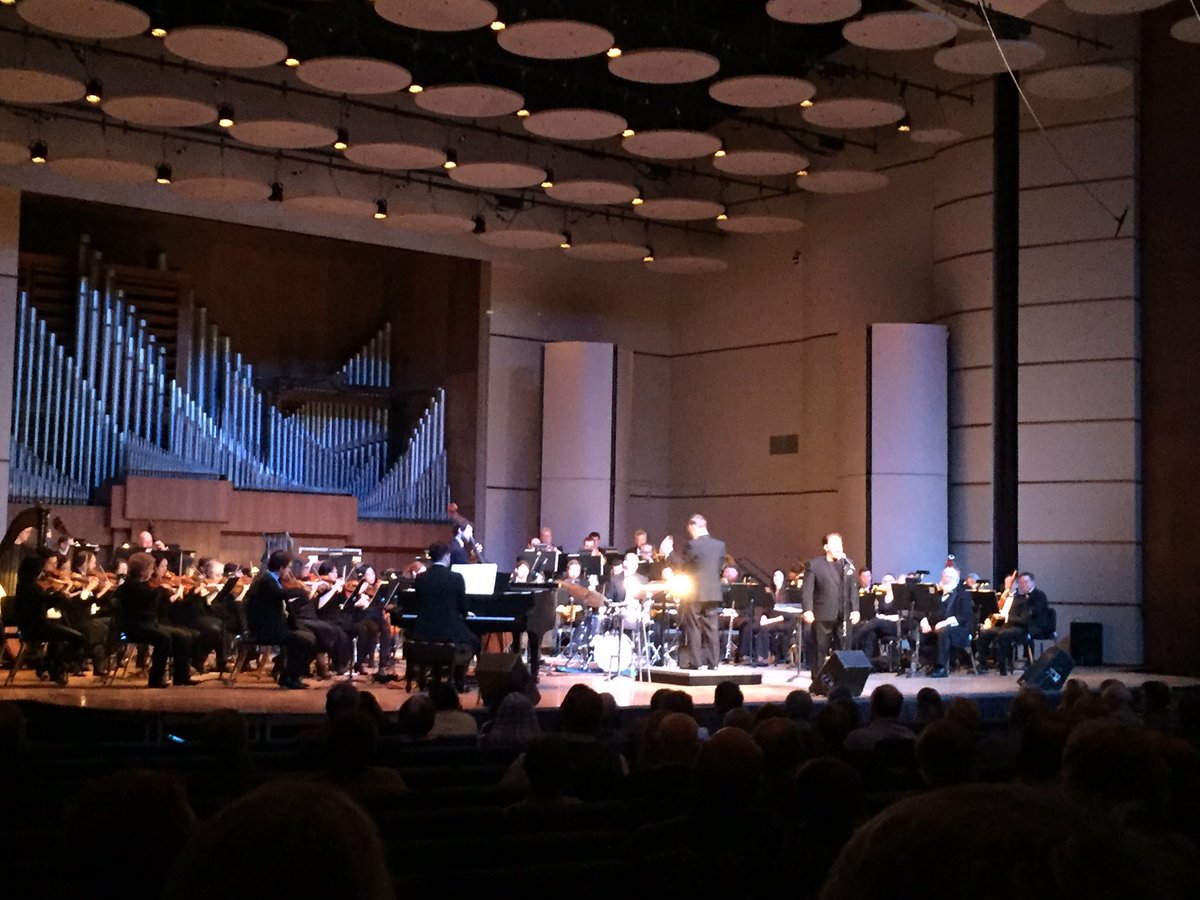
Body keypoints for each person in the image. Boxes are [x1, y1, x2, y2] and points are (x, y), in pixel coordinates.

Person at [115, 552, 196, 688]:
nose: (153, 571)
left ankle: (181, 677)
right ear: (143, 569)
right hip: (134, 627)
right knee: (164, 638)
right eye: (151, 568)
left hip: (149, 624)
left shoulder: (145, 585)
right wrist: (160, 590)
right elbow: (147, 603)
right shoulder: (130, 586)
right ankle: (155, 679)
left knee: (184, 635)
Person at [243, 550, 316, 690]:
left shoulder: (271, 580)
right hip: (266, 629)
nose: (289, 570)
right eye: (288, 567)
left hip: (275, 626)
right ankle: (289, 677)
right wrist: (300, 591)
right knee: (305, 642)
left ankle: (290, 676)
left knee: (308, 639)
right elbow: (279, 595)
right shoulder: (266, 581)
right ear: (281, 567)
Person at [410, 541, 480, 684]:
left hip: (424, 630)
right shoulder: (456, 578)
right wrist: (467, 613)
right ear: (447, 556)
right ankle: (459, 679)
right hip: (448, 630)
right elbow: (463, 608)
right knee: (475, 641)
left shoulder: (421, 578)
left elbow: (417, 603)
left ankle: (436, 675)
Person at [13, 554, 85, 684]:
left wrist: (55, 594)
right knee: (79, 638)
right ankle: (56, 665)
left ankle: (53, 667)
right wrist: (60, 595)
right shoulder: (31, 587)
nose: (43, 572)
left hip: (32, 626)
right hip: (37, 628)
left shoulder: (23, 586)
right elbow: (44, 601)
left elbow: (41, 604)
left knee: (59, 638)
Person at [799, 533, 857, 691]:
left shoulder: (847, 565)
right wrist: (808, 610)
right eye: (834, 543)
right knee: (820, 648)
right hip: (822, 612)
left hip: (843, 613)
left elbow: (853, 589)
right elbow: (807, 591)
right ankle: (818, 683)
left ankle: (842, 684)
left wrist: (855, 610)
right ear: (826, 547)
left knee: (843, 648)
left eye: (840, 543)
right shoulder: (814, 565)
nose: (839, 547)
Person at [976, 571, 1052, 675]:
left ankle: (1003, 663)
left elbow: (1028, 617)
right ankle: (983, 664)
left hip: (1031, 626)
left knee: (1004, 634)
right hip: (1014, 624)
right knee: (985, 632)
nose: (1023, 585)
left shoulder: (1037, 596)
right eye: (1021, 582)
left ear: (1032, 582)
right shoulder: (1016, 598)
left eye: (1026, 582)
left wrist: (1007, 617)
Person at [679, 514, 725, 670]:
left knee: (694, 627)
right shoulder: (720, 545)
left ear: (693, 527)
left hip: (695, 593)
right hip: (713, 592)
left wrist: (669, 554)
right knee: (712, 627)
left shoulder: (693, 545)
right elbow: (718, 567)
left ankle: (696, 662)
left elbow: (682, 567)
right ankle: (714, 663)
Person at [921, 566, 972, 678]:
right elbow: (931, 613)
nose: (944, 579)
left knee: (944, 632)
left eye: (947, 577)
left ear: (954, 579)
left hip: (959, 630)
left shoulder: (962, 595)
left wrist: (946, 623)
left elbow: (964, 617)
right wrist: (925, 622)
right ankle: (928, 663)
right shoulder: (938, 595)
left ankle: (941, 667)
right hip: (939, 627)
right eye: (943, 577)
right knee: (919, 631)